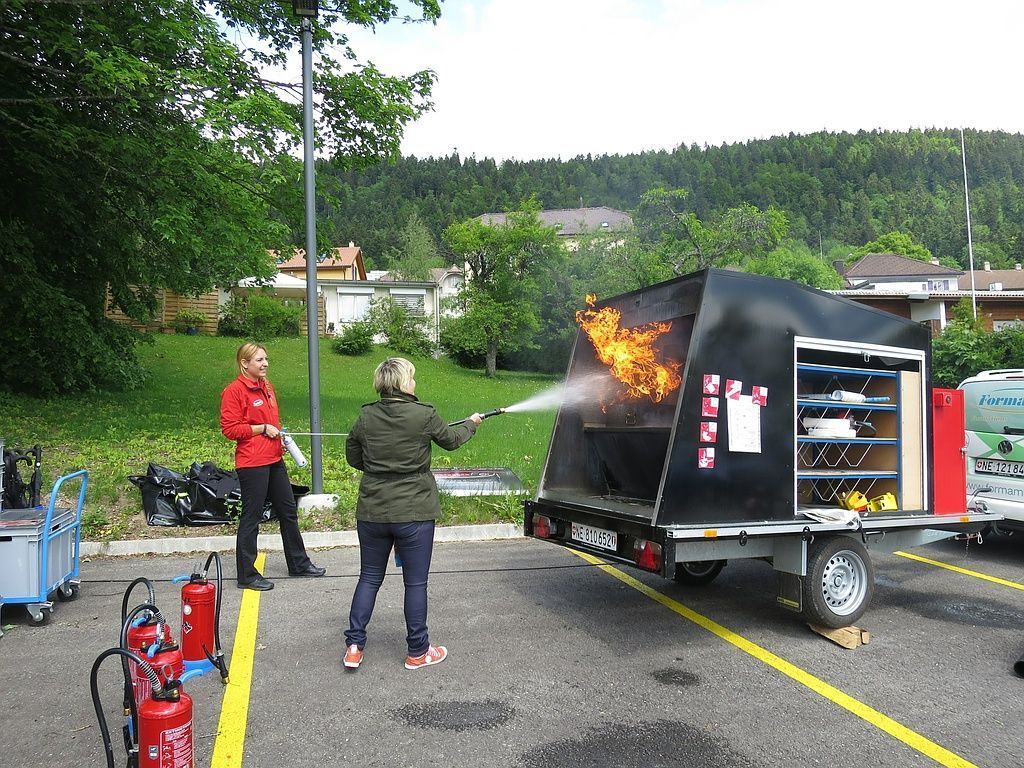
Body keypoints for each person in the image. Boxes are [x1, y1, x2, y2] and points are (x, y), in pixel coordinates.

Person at [343, 357, 483, 671]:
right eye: (413, 378)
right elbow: (452, 440)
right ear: (405, 383)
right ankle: (418, 652)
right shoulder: (424, 414)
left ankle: (354, 646)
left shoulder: (366, 416)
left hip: (373, 511)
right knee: (415, 584)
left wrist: (380, 471)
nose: (415, 383)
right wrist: (472, 424)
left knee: (369, 578)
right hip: (414, 512)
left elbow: (353, 456)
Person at [220, 342, 325, 590]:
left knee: (288, 511)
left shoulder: (266, 386)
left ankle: (299, 564)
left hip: (274, 458)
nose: (265, 364)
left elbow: (271, 422)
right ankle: (247, 575)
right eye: (259, 360)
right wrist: (262, 429)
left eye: (266, 359)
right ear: (244, 363)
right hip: (252, 463)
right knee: (252, 517)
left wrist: (281, 437)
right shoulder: (234, 391)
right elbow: (230, 429)